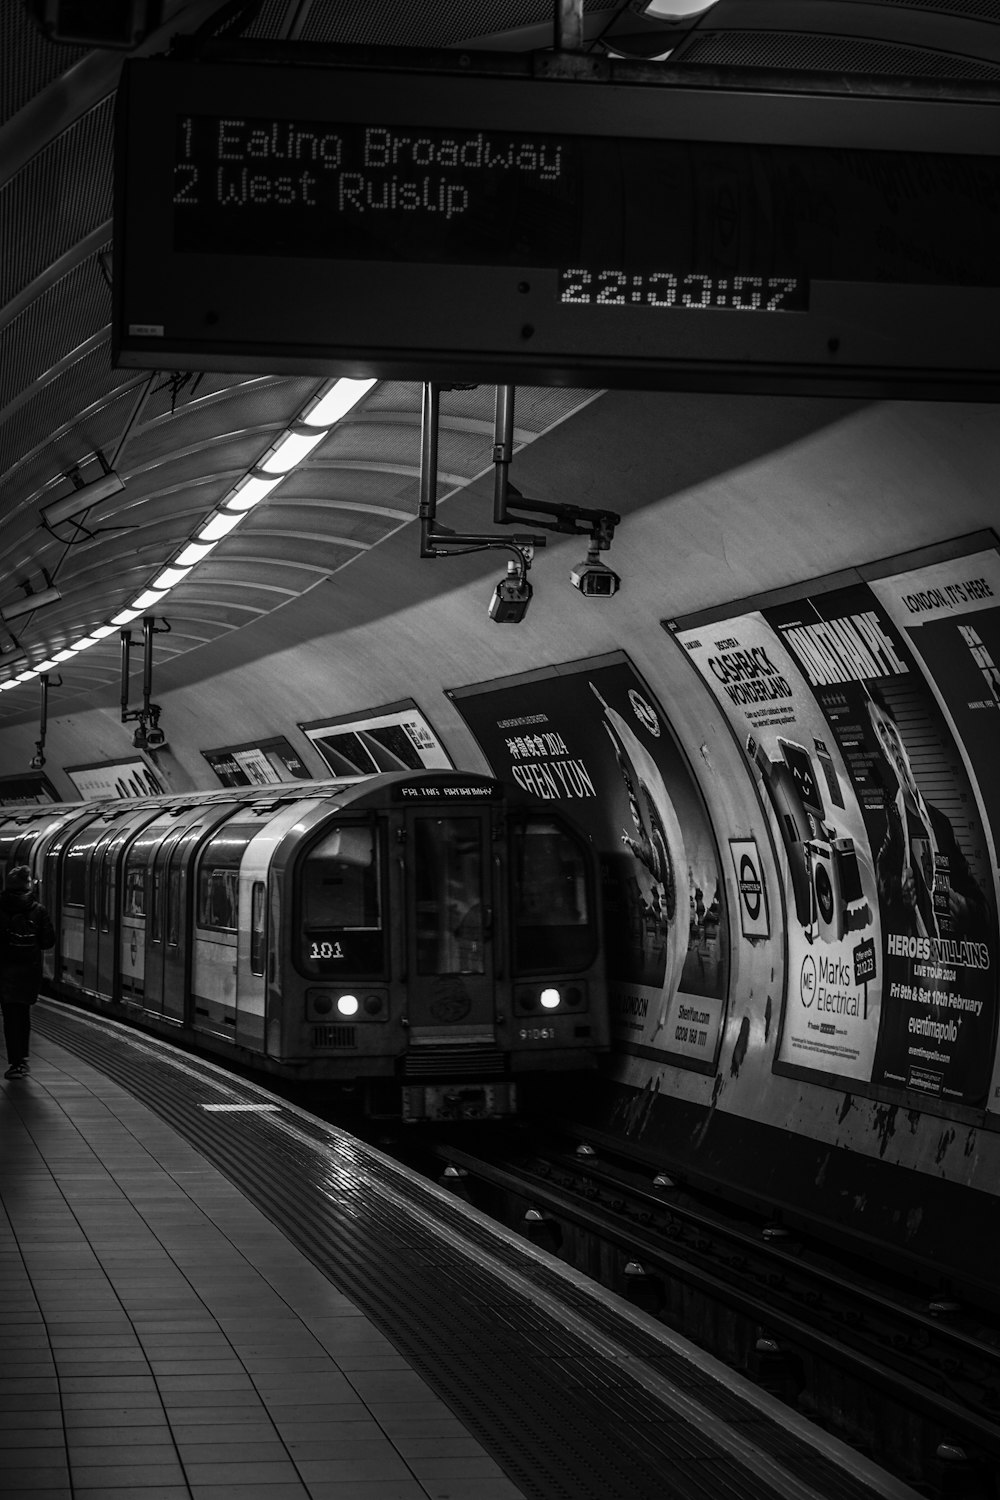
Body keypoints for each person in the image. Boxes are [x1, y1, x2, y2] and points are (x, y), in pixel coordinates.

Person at [867, 693, 987, 940]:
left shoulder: (940, 824)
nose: (887, 742)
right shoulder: (885, 822)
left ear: (902, 738)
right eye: (879, 734)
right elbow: (874, 880)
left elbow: (982, 908)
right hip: (910, 965)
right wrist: (897, 891)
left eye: (888, 729)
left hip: (948, 966)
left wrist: (966, 910)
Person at [0, 864, 55, 1079]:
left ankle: (14, 1060)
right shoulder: (38, 910)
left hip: (4, 972)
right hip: (28, 974)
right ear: (28, 884)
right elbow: (48, 942)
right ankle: (21, 1060)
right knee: (23, 1016)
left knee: (9, 1016)